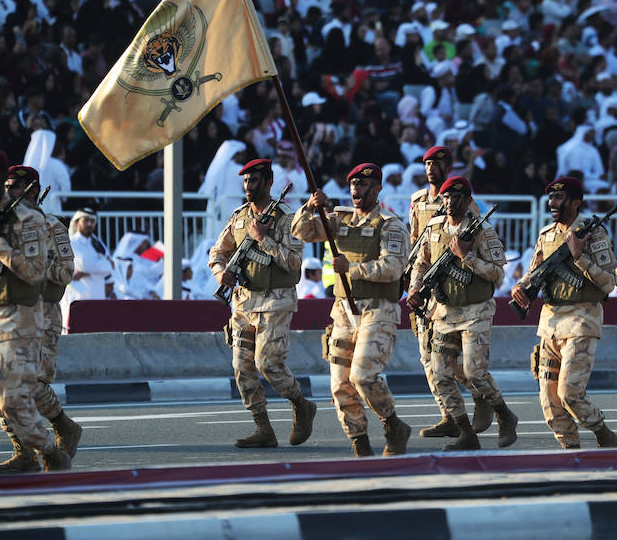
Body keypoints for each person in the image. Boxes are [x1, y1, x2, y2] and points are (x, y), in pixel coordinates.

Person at [291, 163, 412, 458]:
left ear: (377, 189)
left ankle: (392, 424)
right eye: (353, 185)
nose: (357, 190)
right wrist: (310, 206)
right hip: (343, 310)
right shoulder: (339, 220)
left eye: (364, 185)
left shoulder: (390, 224)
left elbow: (393, 267)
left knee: (363, 376)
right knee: (340, 384)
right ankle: (360, 442)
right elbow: (301, 232)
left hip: (378, 310)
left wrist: (353, 269)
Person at [208, 158, 316, 449]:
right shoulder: (239, 217)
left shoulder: (286, 218)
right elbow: (216, 253)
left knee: (268, 363)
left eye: (254, 181)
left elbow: (294, 263)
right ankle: (263, 428)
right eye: (245, 181)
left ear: (268, 183)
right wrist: (222, 274)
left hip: (276, 301)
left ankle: (301, 404)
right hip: (243, 303)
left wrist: (264, 240)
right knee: (242, 367)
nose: (248, 186)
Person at [510, 176, 617, 450]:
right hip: (550, 323)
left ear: (576, 202)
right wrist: (521, 287)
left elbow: (609, 282)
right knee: (549, 399)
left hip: (581, 321)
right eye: (551, 198)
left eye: (559, 198)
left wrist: (580, 257)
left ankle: (601, 430)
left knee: (569, 393)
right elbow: (533, 271)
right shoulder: (547, 235)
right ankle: (569, 449)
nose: (552, 203)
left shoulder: (594, 234)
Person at [407, 176, 518, 450]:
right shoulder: (434, 227)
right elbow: (422, 262)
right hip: (444, 312)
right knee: (440, 373)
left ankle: (505, 415)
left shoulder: (483, 231)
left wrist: (467, 257)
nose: (449, 202)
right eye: (445, 197)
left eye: (456, 198)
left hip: (476, 311)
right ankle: (465, 432)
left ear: (468, 200)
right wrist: (415, 288)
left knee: (474, 371)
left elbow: (498, 275)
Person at [0, 149, 71, 473]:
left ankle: (55, 440)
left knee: (21, 394)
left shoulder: (38, 222)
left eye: (18, 187)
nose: (13, 190)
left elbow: (49, 272)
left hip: (26, 315)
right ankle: (5, 456)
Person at [407, 146, 492, 439]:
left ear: (449, 165)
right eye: (427, 163)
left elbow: (473, 237)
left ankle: (481, 395)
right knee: (428, 357)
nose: (431, 168)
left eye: (437, 163)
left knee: (454, 361)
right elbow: (416, 242)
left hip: (452, 287)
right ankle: (449, 416)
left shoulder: (463, 200)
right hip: (427, 283)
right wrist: (413, 284)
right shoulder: (417, 200)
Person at [60, 207, 114, 329]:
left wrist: (88, 272)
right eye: (86, 220)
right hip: (78, 297)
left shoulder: (98, 243)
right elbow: (84, 264)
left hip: (97, 296)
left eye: (92, 221)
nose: (90, 224)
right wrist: (100, 267)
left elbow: (111, 267)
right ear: (77, 222)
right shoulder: (71, 242)